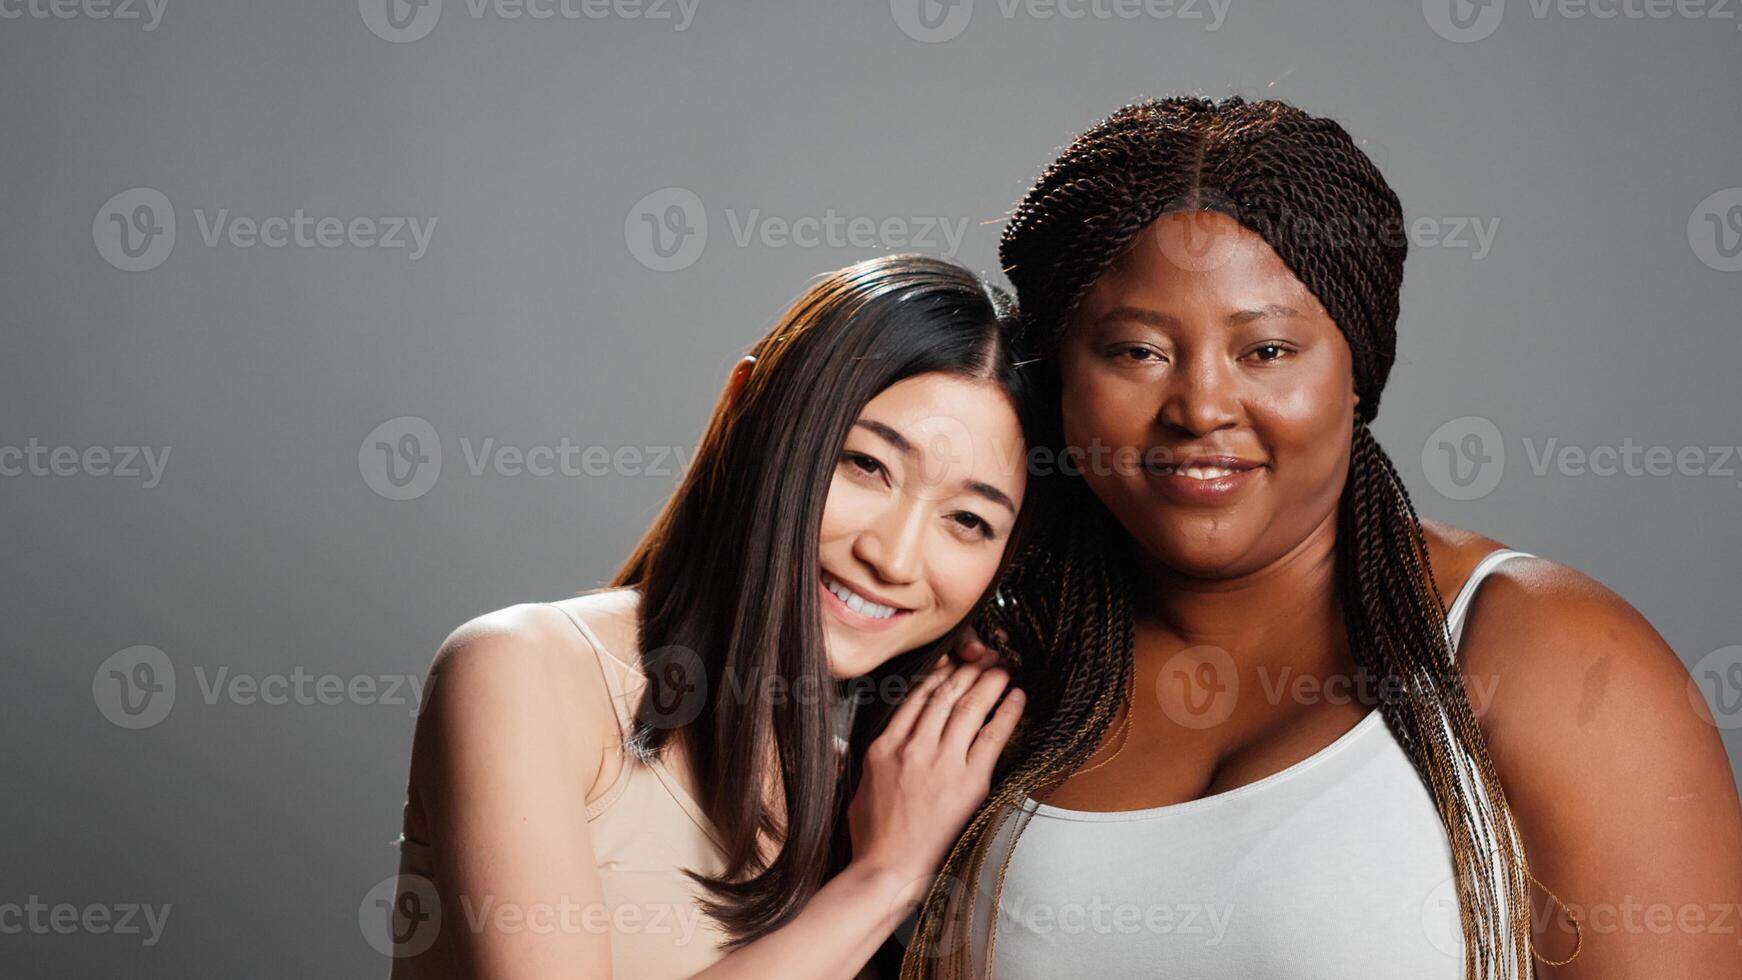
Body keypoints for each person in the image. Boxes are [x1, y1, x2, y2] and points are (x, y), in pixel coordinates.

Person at [906, 97, 1742, 978]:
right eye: (1137, 351)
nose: (1202, 407)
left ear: (1356, 372)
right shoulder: (991, 673)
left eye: (1265, 351)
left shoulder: (1548, 655)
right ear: (1054, 373)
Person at [389, 254, 1036, 979]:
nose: (896, 558)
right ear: (746, 405)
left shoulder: (886, 785)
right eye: (865, 465)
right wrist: (882, 882)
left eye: (970, 520)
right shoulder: (527, 670)